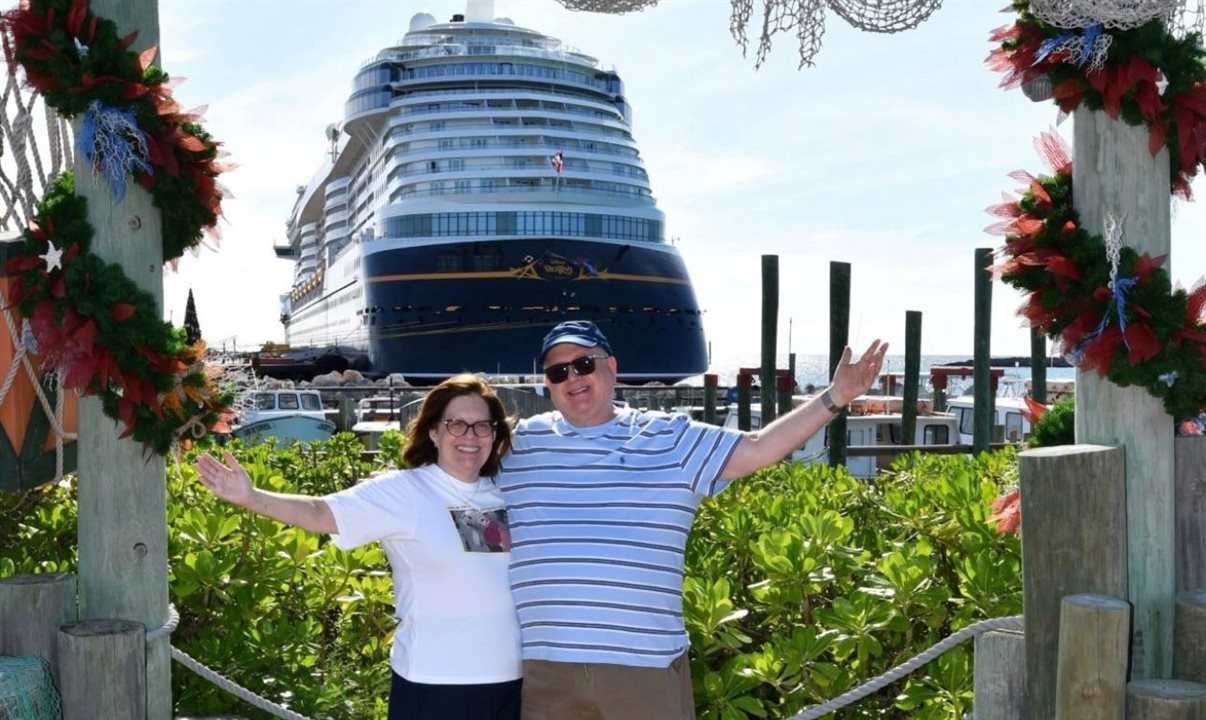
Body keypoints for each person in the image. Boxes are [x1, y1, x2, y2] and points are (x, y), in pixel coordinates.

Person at [498, 320, 887, 720]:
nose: (572, 377)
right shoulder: (517, 445)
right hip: (546, 674)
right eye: (557, 372)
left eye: (583, 363)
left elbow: (759, 448)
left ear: (611, 367)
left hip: (644, 669)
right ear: (547, 384)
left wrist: (836, 396)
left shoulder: (670, 437)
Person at [193, 374, 522, 720]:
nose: (470, 436)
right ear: (434, 432)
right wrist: (252, 497)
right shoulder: (404, 492)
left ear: (495, 434)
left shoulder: (502, 493)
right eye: (456, 424)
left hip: (510, 681)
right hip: (436, 682)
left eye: (482, 426)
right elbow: (321, 512)